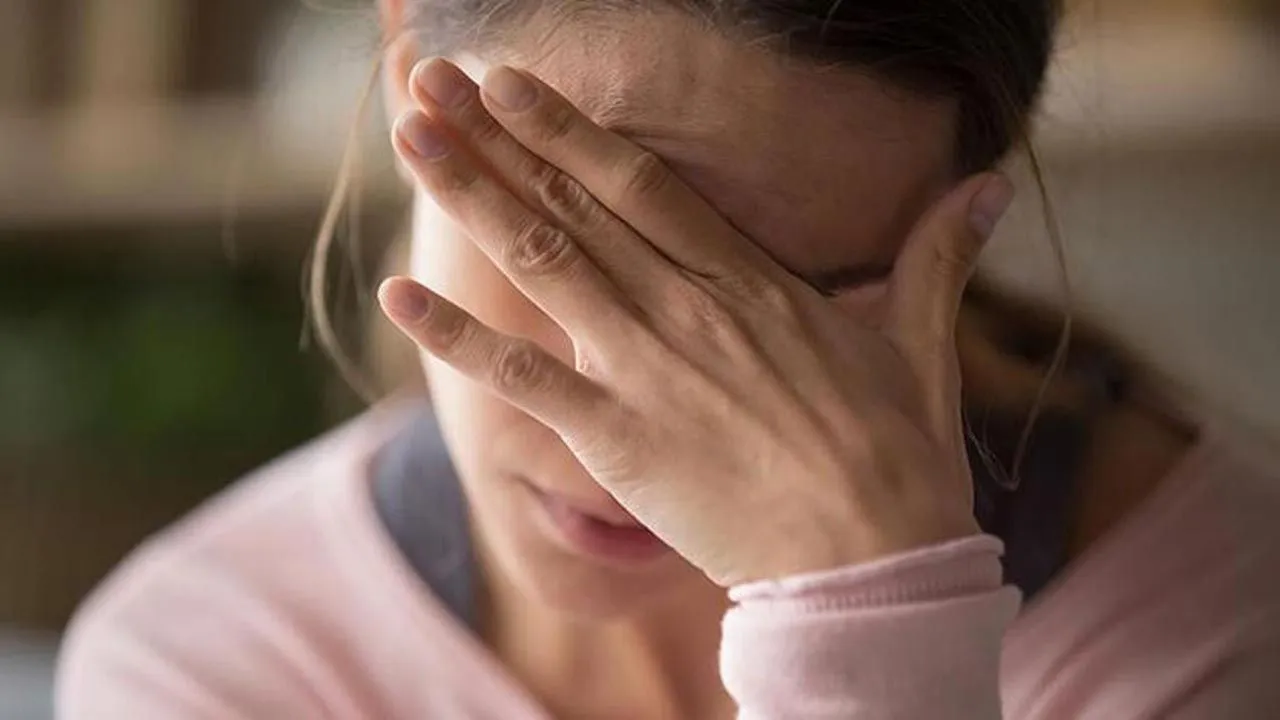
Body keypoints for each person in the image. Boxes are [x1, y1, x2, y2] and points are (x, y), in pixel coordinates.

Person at [56, 1, 1280, 718]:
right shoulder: (215, 662)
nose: (630, 429)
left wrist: (869, 619)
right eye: (587, 245)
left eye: (799, 307)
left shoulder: (1206, 628)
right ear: (401, 60)